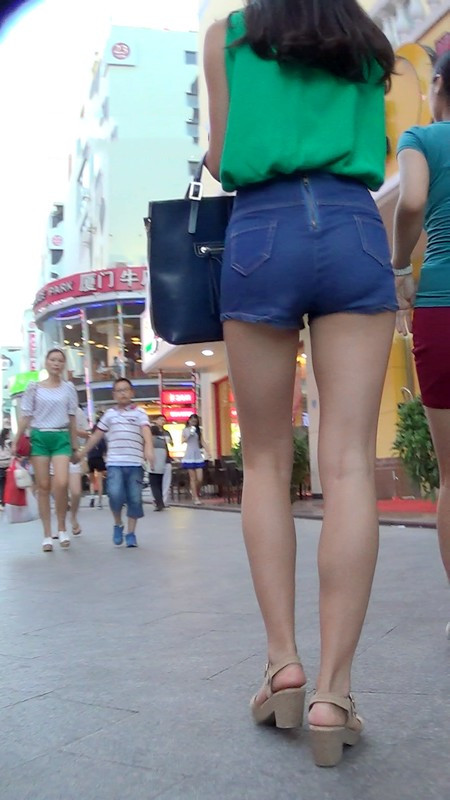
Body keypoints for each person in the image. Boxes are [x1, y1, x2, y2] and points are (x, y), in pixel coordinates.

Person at [204, 0, 396, 767]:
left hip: (262, 228)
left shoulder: (229, 36)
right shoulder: (367, 40)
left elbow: (221, 156)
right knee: (348, 463)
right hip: (354, 226)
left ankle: (283, 664)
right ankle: (332, 696)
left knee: (264, 460)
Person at [392, 50, 450, 640]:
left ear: (436, 84)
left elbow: (411, 201)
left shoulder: (422, 137)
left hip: (442, 304)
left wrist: (398, 265)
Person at [12, 349, 78, 551]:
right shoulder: (34, 388)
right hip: (39, 436)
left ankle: (62, 527)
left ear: (64, 364)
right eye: (52, 360)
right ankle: (47, 534)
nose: (56, 363)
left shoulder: (68, 388)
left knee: (62, 483)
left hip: (61, 436)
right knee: (43, 486)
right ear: (46, 362)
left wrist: (75, 445)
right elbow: (26, 416)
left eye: (60, 360)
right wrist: (16, 440)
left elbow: (72, 418)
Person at [75, 378, 154, 547]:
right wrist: (82, 452)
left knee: (134, 498)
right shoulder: (109, 414)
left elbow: (146, 430)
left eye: (126, 390)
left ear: (132, 392)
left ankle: (131, 533)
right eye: (119, 390)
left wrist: (149, 448)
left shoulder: (140, 413)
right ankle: (118, 523)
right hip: (115, 463)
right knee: (115, 495)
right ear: (114, 395)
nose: (123, 393)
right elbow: (96, 436)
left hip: (135, 463)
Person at [68, 405, 90, 535]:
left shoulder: (77, 411)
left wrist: (72, 430)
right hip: (54, 452)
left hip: (73, 453)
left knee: (76, 492)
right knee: (59, 489)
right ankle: (61, 527)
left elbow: (87, 433)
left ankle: (73, 516)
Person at [182, 414, 208, 505]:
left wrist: (208, 450)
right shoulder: (185, 430)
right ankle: (196, 497)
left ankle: (194, 491)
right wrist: (189, 434)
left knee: (200, 478)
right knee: (193, 478)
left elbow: (202, 441)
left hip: (197, 455)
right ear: (189, 421)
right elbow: (183, 441)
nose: (194, 422)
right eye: (192, 421)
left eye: (195, 421)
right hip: (189, 455)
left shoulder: (198, 430)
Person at [148, 423, 169, 511]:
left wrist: (151, 464)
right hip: (162, 466)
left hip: (153, 466)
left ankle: (158, 503)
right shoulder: (162, 441)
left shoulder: (151, 441)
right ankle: (161, 502)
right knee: (160, 486)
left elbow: (150, 454)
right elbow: (166, 454)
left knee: (154, 486)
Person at [154, 414, 173, 505]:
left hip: (166, 459)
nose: (162, 421)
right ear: (156, 420)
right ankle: (157, 499)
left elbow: (171, 443)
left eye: (164, 420)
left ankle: (164, 501)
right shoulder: (152, 431)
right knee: (156, 480)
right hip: (156, 459)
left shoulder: (166, 432)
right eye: (160, 419)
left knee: (166, 481)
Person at [87, 423, 107, 508]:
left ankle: (92, 497)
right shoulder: (101, 439)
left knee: (92, 481)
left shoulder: (89, 438)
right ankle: (99, 501)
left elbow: (86, 449)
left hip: (90, 459)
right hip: (99, 459)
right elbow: (105, 451)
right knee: (99, 481)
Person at [0, 428, 12, 510]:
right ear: (7, 434)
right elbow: (14, 452)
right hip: (8, 465)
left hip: (0, 465)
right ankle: (9, 501)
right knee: (9, 484)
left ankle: (2, 502)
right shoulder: (9, 442)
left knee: (1, 485)